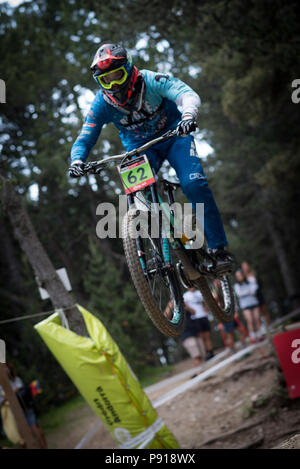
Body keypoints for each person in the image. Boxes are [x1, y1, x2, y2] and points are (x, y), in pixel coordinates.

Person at [68, 42, 234, 273]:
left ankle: (218, 249)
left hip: (176, 136)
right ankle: (159, 245)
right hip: (140, 148)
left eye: (117, 75)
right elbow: (85, 137)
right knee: (138, 197)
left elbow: (186, 93)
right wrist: (77, 161)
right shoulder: (101, 104)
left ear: (129, 68)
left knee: (193, 184)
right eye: (106, 80)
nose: (113, 84)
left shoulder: (151, 80)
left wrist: (188, 115)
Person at [4, 363, 47, 449]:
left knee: (35, 431)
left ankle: (43, 447)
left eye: (6, 368)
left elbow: (23, 392)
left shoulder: (16, 380)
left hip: (26, 408)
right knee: (24, 437)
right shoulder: (5, 385)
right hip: (17, 412)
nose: (6, 370)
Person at [164, 301, 205, 366]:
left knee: (202, 354)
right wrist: (169, 306)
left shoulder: (184, 308)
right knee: (196, 356)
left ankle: (203, 372)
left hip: (195, 332)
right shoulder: (173, 312)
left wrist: (186, 305)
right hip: (186, 335)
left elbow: (194, 312)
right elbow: (165, 317)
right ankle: (199, 372)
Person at [183, 287, 214, 360]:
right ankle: (205, 353)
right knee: (201, 337)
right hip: (195, 318)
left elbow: (203, 303)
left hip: (203, 316)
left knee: (207, 335)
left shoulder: (199, 292)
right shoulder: (185, 295)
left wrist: (206, 311)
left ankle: (211, 352)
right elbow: (186, 306)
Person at [234, 269, 262, 342]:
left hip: (254, 303)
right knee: (250, 320)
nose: (239, 277)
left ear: (243, 275)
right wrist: (248, 291)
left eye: (240, 275)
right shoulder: (236, 285)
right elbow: (239, 294)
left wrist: (245, 292)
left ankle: (260, 335)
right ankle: (252, 336)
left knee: (257, 318)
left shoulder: (250, 281)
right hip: (245, 306)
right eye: (237, 276)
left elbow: (254, 289)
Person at [241, 261, 271, 328]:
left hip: (258, 295)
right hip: (251, 298)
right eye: (243, 266)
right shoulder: (244, 278)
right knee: (256, 314)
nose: (245, 267)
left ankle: (269, 326)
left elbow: (260, 283)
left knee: (264, 311)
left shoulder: (254, 274)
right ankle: (262, 328)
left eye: (246, 265)